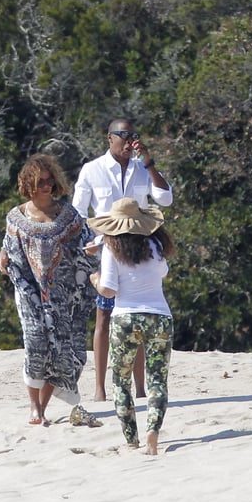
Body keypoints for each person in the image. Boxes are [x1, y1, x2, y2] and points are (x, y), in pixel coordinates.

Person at [72, 119, 173, 402]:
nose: (129, 142)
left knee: (139, 314)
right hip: (106, 248)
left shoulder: (143, 169)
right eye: (124, 136)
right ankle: (100, 388)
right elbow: (78, 212)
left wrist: (150, 163)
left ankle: (140, 388)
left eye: (133, 136)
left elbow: (165, 199)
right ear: (110, 138)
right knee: (103, 316)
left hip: (141, 247)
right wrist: (88, 244)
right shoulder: (92, 170)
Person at [0, 154, 100, 426]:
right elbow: (9, 249)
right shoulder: (16, 217)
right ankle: (34, 407)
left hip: (64, 295)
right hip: (30, 295)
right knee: (35, 345)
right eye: (39, 180)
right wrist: (4, 255)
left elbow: (87, 246)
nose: (45, 185)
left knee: (61, 350)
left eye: (49, 179)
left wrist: (96, 258)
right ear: (28, 183)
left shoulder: (69, 216)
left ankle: (43, 407)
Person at [87, 198, 176, 455]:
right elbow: (162, 273)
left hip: (125, 317)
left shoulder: (111, 248)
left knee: (120, 381)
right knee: (158, 380)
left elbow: (109, 289)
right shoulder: (156, 245)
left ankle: (131, 438)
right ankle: (153, 432)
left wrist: (95, 280)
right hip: (159, 315)